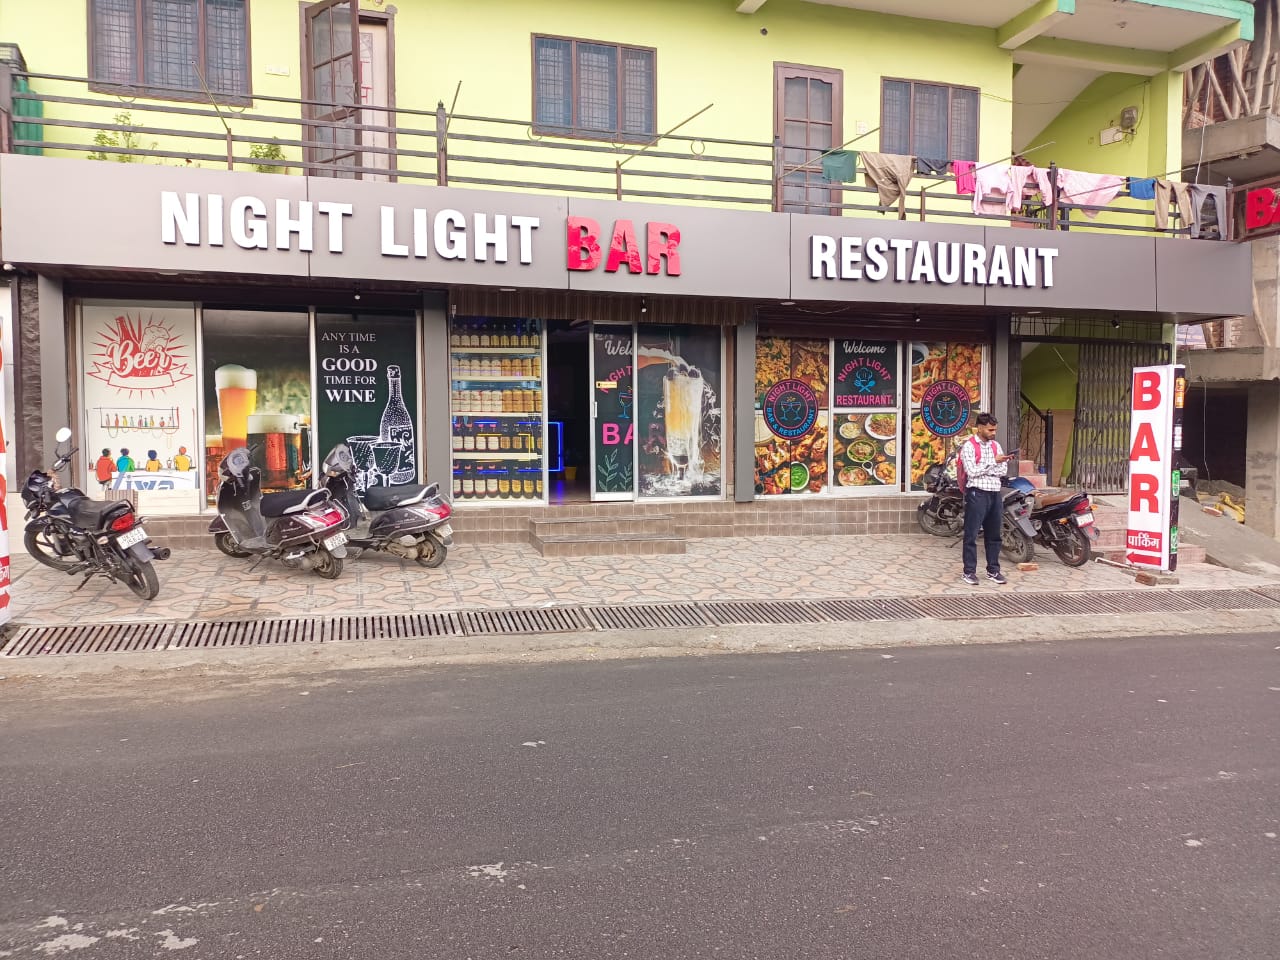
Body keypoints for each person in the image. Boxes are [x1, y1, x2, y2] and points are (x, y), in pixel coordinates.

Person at [958, 413, 1018, 586]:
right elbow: (972, 471)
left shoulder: (996, 445)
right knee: (971, 534)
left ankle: (993, 570)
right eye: (990, 430)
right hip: (977, 493)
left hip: (994, 493)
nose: (993, 433)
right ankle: (969, 572)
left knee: (994, 535)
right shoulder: (969, 446)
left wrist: (990, 465)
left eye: (995, 430)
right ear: (980, 428)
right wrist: (993, 462)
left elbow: (1002, 470)